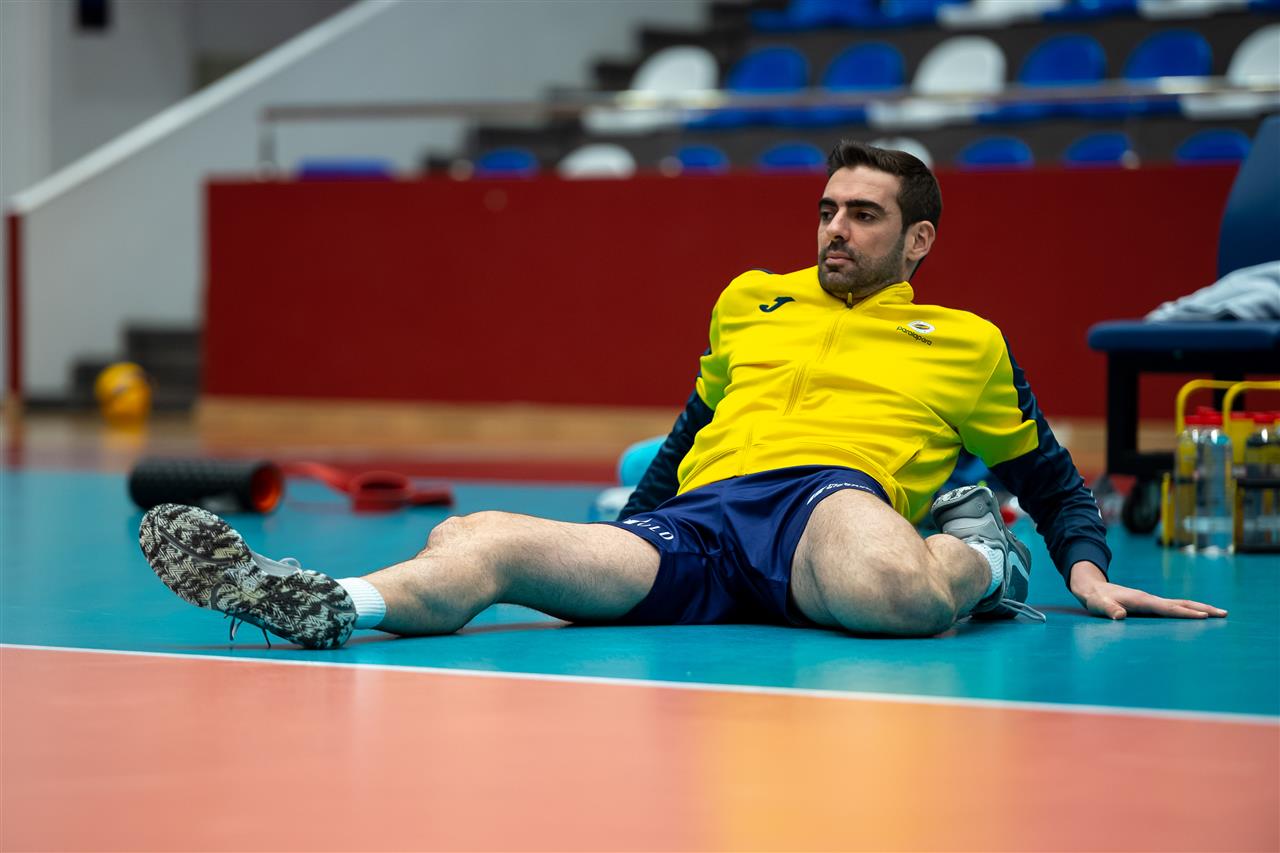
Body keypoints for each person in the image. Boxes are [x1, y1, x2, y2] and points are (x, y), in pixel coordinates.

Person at [139, 140, 1226, 649]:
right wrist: (637, 526)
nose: (834, 229)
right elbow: (692, 428)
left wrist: (1087, 569)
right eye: (826, 209)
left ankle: (985, 559)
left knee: (897, 597)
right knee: (482, 539)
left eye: (861, 215)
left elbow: (1047, 473)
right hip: (702, 525)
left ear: (918, 239)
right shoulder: (749, 298)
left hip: (828, 504)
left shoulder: (966, 340)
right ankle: (333, 602)